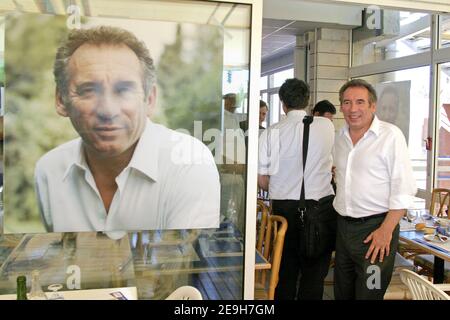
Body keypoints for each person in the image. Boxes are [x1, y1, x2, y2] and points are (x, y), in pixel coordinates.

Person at [34, 26, 220, 232]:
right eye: (88, 90)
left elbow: (185, 262)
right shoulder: (49, 171)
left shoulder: (188, 163)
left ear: (150, 100)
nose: (107, 110)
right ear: (61, 100)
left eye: (123, 90)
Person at [333, 79, 417, 300]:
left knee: (370, 293)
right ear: (341, 106)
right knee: (343, 292)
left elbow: (404, 190)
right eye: (347, 102)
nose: (353, 109)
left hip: (376, 232)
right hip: (344, 230)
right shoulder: (339, 138)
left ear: (372, 106)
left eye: (360, 102)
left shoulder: (391, 137)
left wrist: (385, 231)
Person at [258, 78, 335, 300]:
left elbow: (262, 179)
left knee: (285, 271)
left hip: (284, 211)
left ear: (283, 103)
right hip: (321, 209)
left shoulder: (271, 132)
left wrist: (281, 186)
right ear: (308, 101)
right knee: (314, 274)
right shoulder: (326, 126)